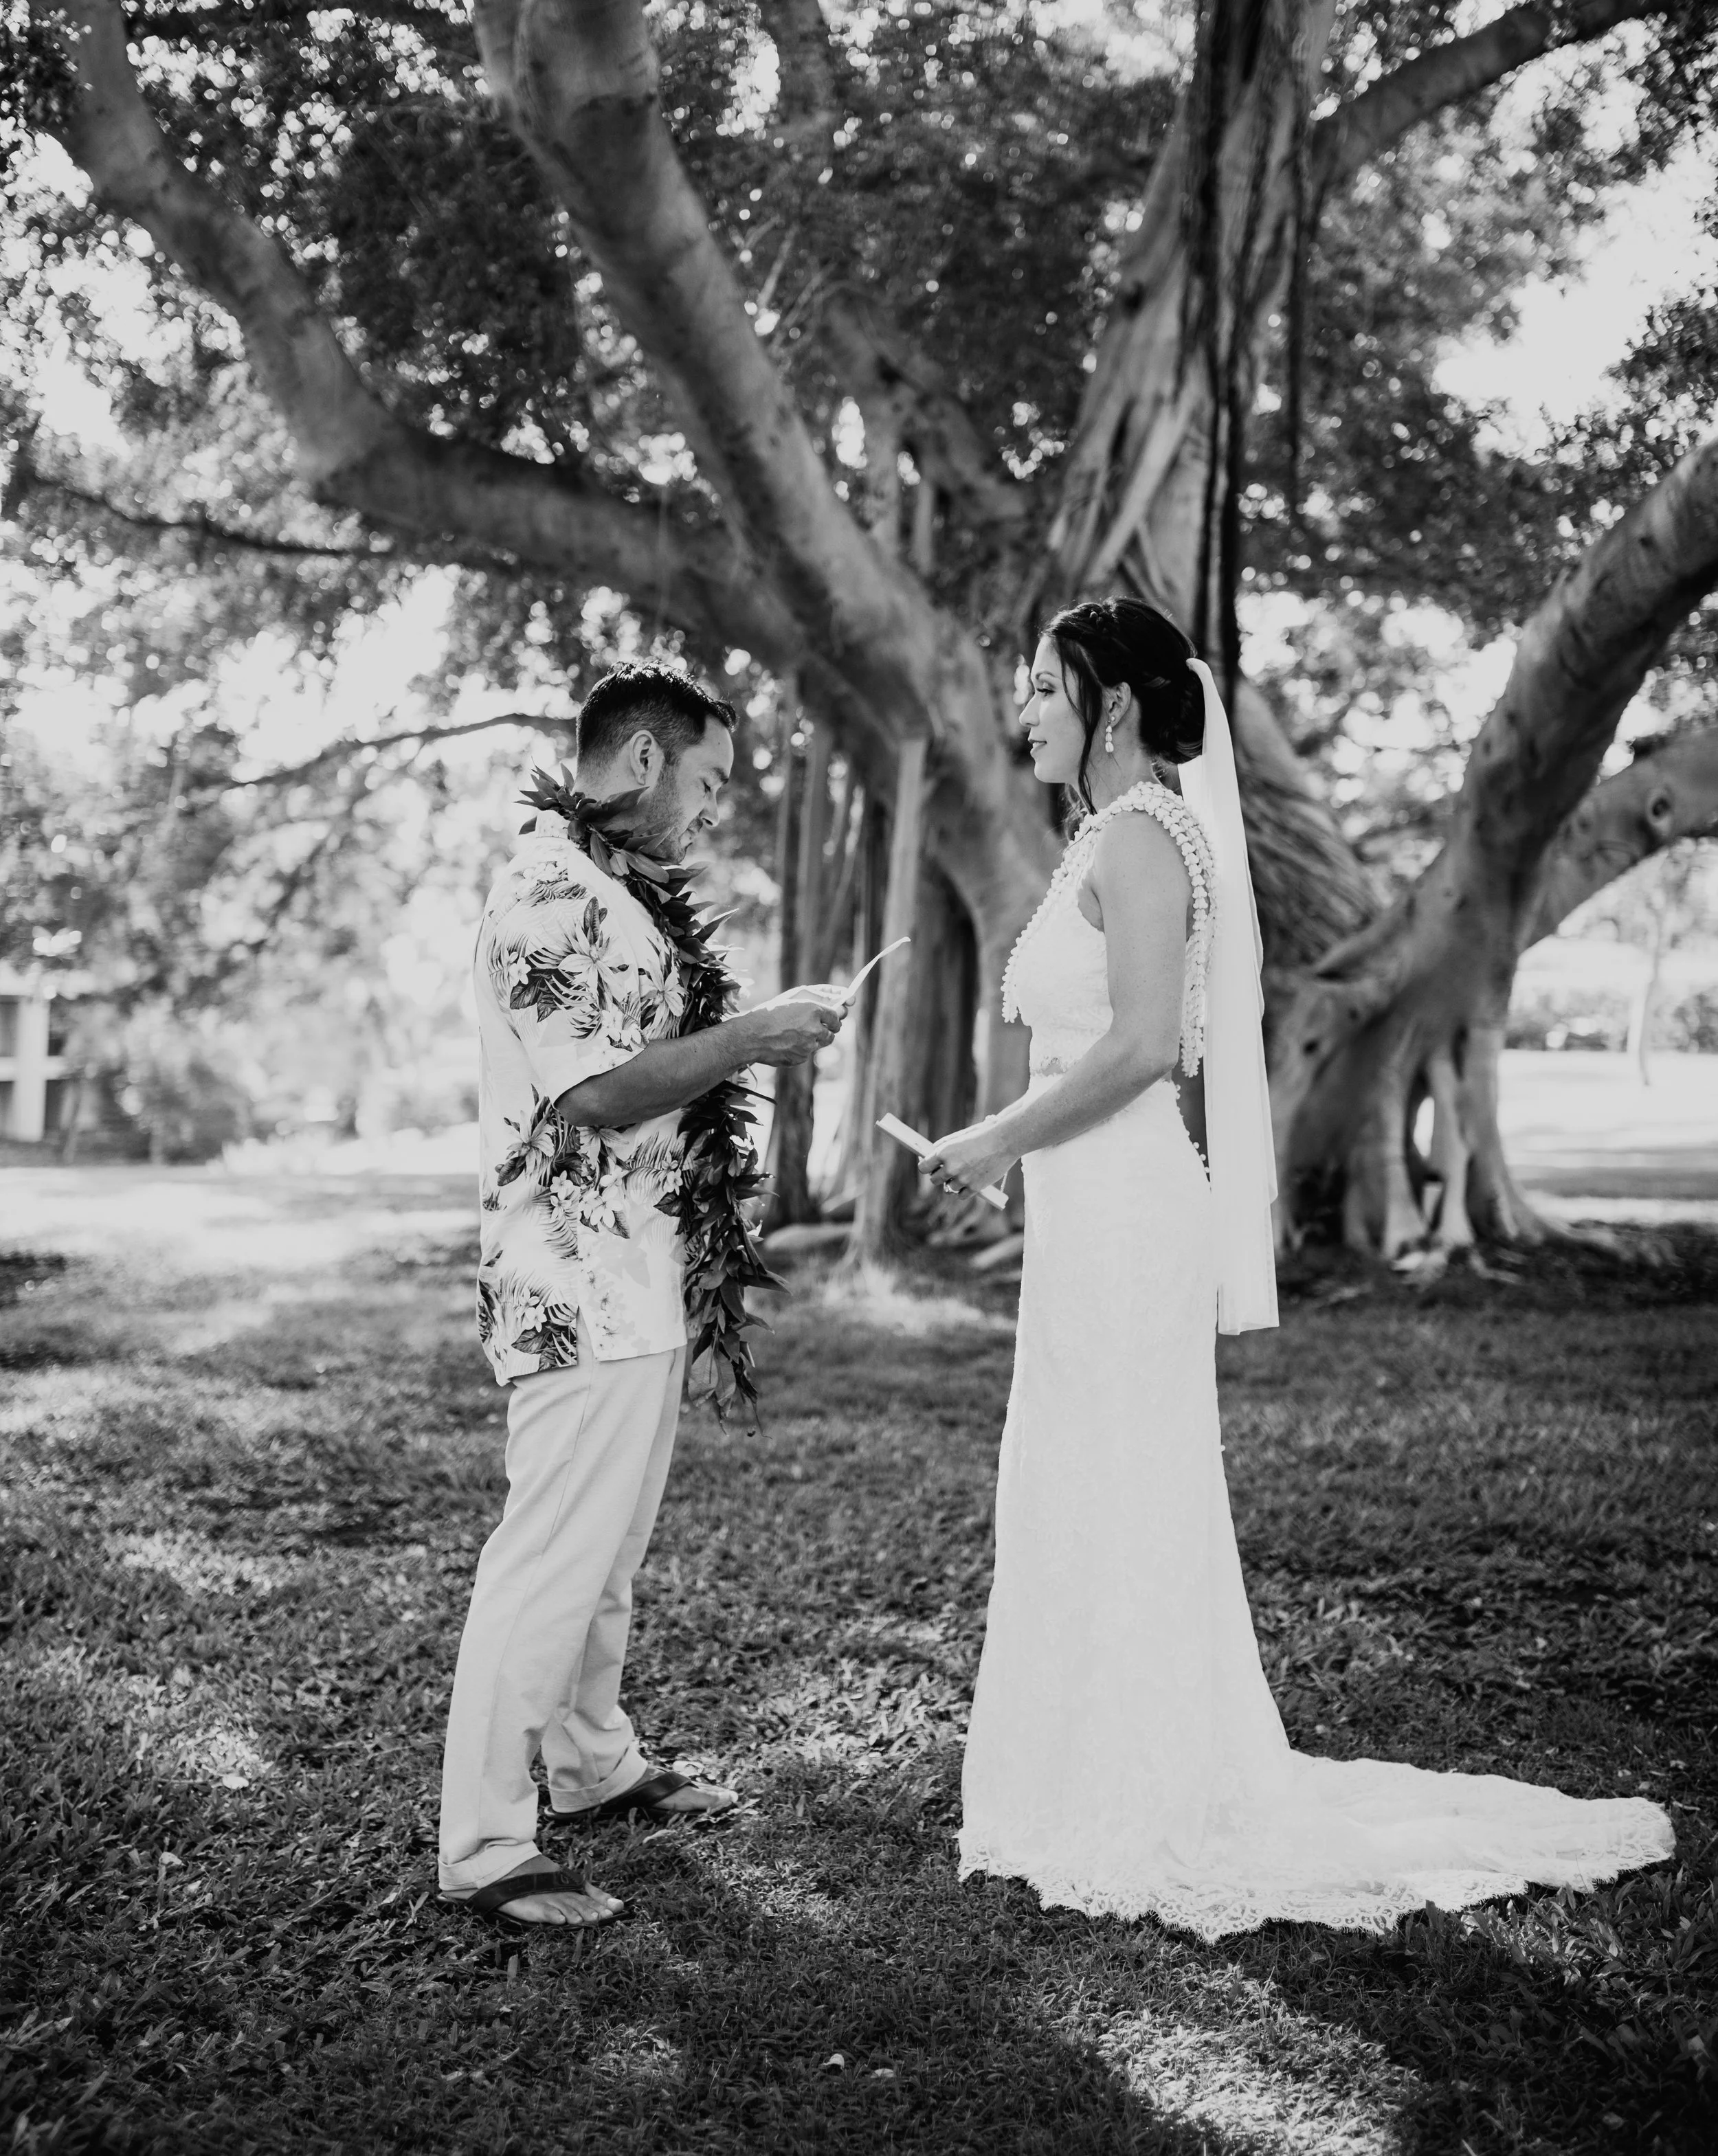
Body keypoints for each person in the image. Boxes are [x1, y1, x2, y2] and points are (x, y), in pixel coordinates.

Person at [921, 597, 1675, 1938]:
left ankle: (1144, 1784)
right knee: (1081, 1472)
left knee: (1121, 1473)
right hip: (1088, 1199)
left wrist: (993, 1138)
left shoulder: (1147, 835)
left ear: (1108, 706)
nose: (1022, 710)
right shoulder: (1107, 834)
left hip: (1122, 1199)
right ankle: (1087, 1760)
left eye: (1041, 688)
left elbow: (1148, 1044)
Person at [439, 660, 847, 1931]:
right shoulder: (552, 889)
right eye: (708, 783)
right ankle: (488, 1842)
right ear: (638, 763)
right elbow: (591, 1091)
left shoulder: (624, 893)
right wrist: (752, 1037)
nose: (714, 812)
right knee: (551, 1556)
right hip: (572, 1282)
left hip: (642, 1272)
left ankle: (593, 1760)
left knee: (608, 1555)